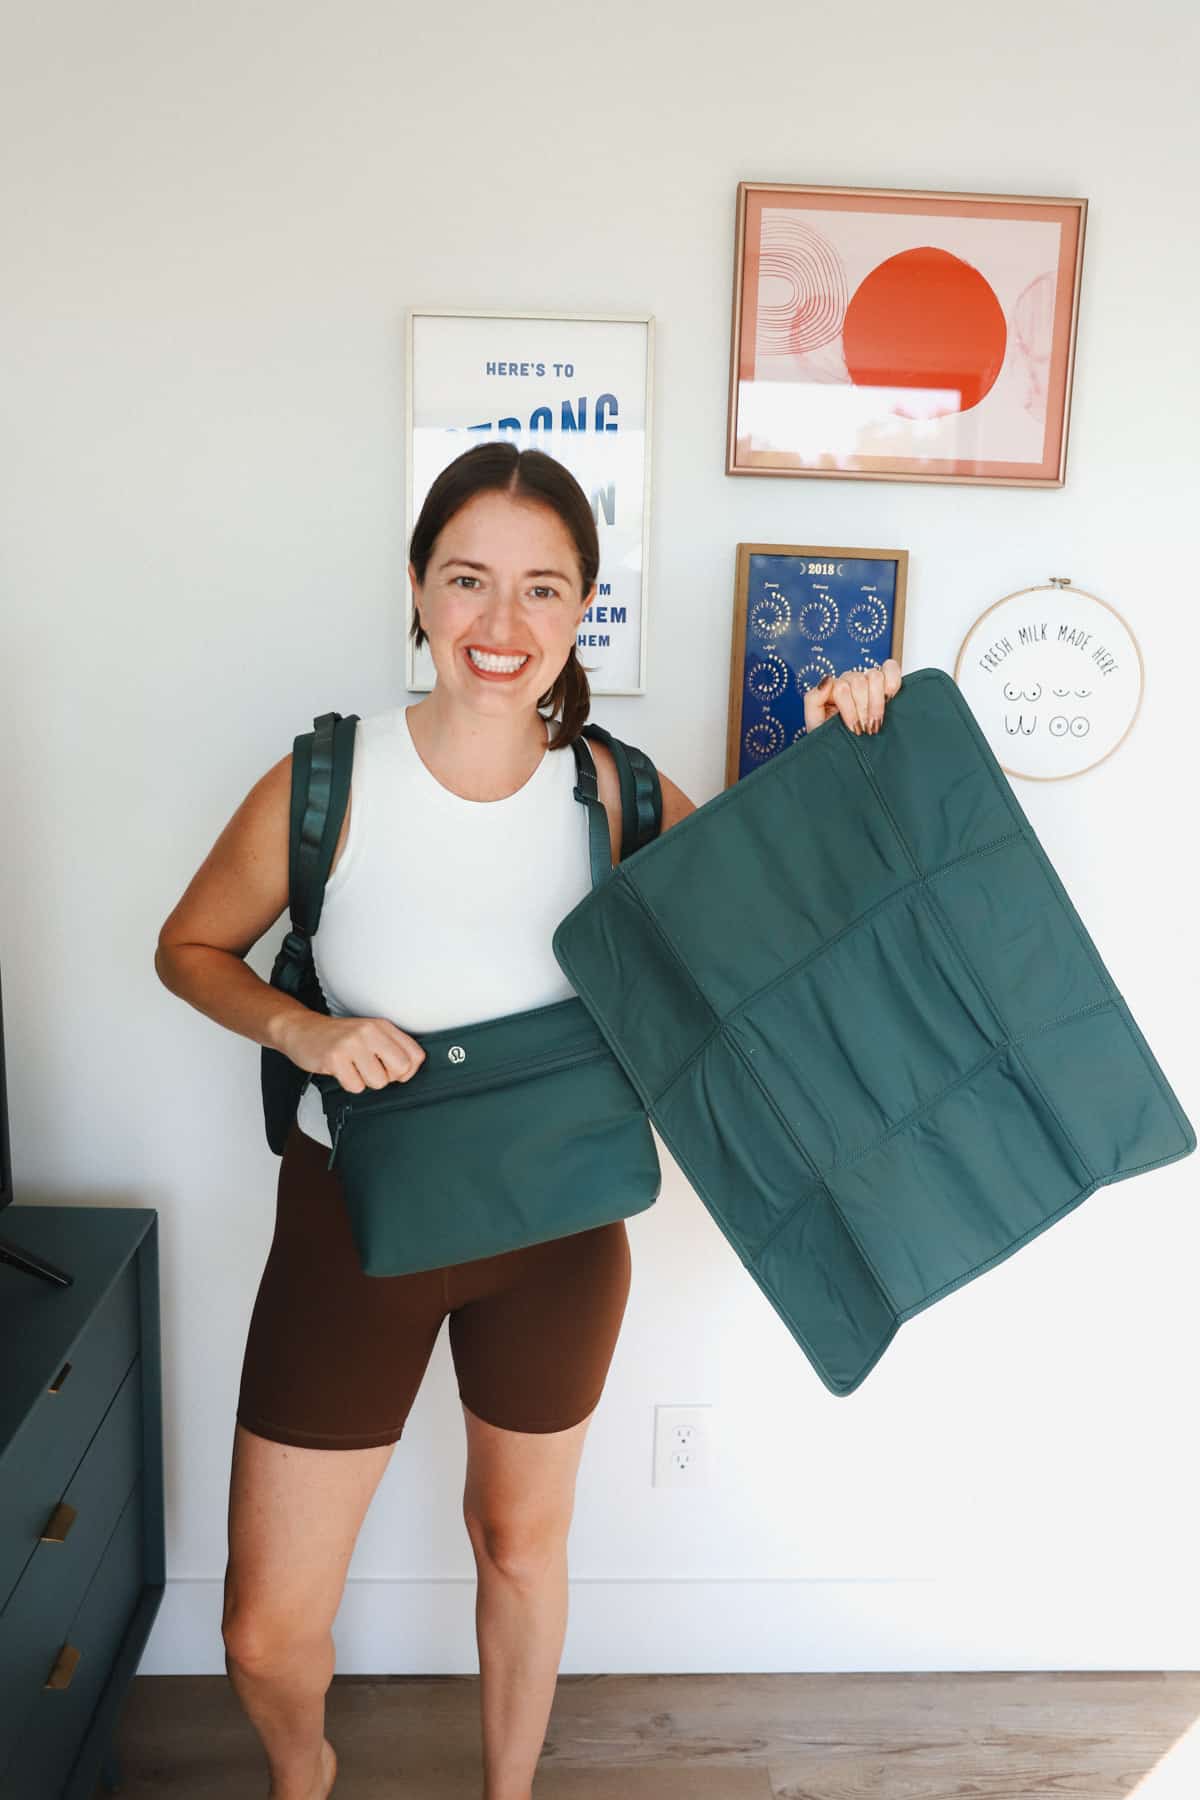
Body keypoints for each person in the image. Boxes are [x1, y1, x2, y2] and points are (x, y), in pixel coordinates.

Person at [154, 439, 901, 1800]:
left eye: (543, 590)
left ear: (582, 610)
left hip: (559, 1236)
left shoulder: (613, 793)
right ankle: (302, 1775)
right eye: (469, 581)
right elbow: (191, 948)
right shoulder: (326, 782)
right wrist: (304, 1029)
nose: (503, 626)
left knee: (519, 1545)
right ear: (419, 590)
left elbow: (769, 916)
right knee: (263, 1632)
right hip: (355, 1228)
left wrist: (850, 742)